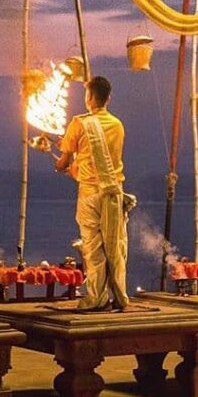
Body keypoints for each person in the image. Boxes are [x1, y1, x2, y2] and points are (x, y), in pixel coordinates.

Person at [55, 76, 129, 311]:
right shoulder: (118, 124)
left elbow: (63, 163)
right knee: (115, 246)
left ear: (89, 97)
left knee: (93, 246)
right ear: (108, 97)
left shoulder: (79, 122)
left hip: (89, 194)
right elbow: (102, 156)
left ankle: (96, 298)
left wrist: (64, 163)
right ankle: (120, 296)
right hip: (113, 193)